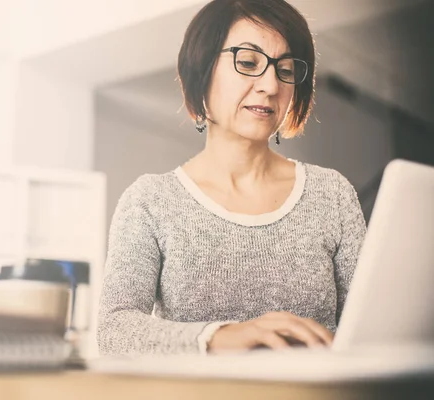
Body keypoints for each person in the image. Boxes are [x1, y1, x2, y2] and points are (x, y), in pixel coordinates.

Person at [97, 0, 366, 356]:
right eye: (248, 62)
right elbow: (115, 329)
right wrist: (217, 338)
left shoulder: (332, 194)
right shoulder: (149, 201)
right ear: (202, 70)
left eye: (285, 69)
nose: (270, 85)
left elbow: (368, 327)